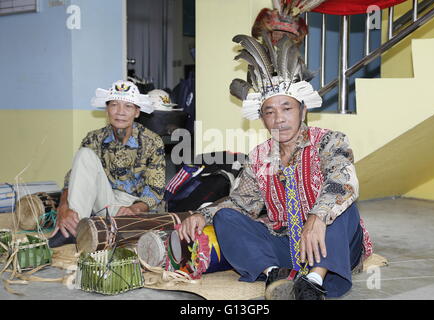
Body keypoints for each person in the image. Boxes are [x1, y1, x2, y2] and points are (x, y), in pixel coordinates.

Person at [178, 34, 372, 300]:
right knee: (227, 218)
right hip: (287, 245)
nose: (279, 119)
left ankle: (314, 282)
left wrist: (318, 216)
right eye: (269, 112)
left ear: (303, 111)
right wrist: (205, 215)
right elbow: (241, 203)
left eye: (286, 108)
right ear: (262, 118)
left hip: (330, 244)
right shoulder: (258, 157)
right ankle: (276, 275)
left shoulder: (329, 140)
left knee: (345, 207)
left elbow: (343, 180)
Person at [48, 80, 166, 248]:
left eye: (128, 106)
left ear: (137, 112)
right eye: (114, 105)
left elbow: (155, 189)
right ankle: (73, 230)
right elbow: (73, 177)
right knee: (84, 155)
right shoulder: (94, 138)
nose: (120, 112)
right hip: (103, 201)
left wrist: (135, 209)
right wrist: (63, 206)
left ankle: (88, 230)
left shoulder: (153, 141)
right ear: (107, 109)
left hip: (132, 208)